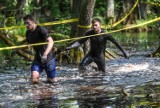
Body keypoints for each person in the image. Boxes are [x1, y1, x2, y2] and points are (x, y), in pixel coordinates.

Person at [23, 14, 57, 84]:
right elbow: (28, 45)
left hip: (49, 58)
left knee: (51, 81)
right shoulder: (28, 33)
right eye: (25, 23)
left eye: (28, 23)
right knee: (34, 78)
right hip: (38, 58)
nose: (26, 25)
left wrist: (45, 54)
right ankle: (37, 93)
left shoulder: (41, 29)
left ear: (33, 21)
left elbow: (51, 41)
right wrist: (16, 49)